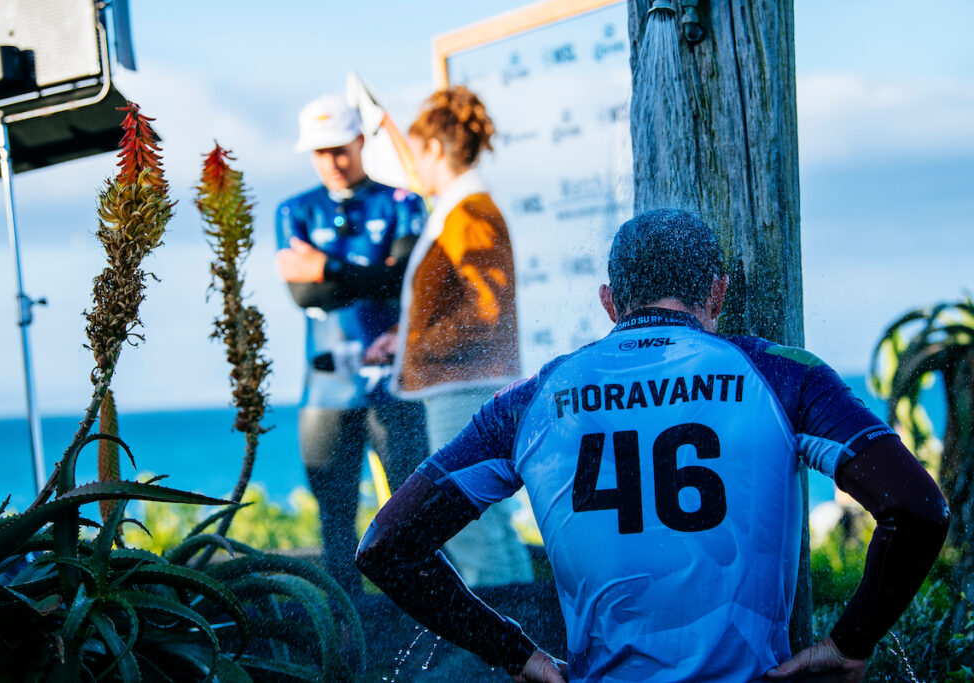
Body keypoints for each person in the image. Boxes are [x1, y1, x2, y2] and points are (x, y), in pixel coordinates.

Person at [356, 208, 950, 682]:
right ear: (716, 294)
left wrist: (517, 654)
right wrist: (851, 642)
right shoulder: (784, 375)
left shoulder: (530, 400)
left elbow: (386, 547)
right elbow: (918, 509)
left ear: (610, 303)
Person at [365, 85, 533, 587]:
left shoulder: (470, 212)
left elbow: (486, 313)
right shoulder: (461, 209)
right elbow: (466, 304)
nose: (414, 164)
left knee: (472, 529)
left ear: (435, 149)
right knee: (483, 528)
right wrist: (404, 337)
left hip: (465, 390)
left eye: (418, 152)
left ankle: (506, 653)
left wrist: (415, 346)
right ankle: (522, 639)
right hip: (461, 387)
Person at [275, 93, 429, 595]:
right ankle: (348, 638)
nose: (332, 163)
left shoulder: (403, 202)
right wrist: (371, 274)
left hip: (396, 387)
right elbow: (304, 294)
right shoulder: (294, 211)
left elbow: (405, 279)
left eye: (340, 148)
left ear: (361, 142)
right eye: (320, 153)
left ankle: (426, 633)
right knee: (336, 523)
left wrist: (326, 267)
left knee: (415, 518)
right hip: (326, 391)